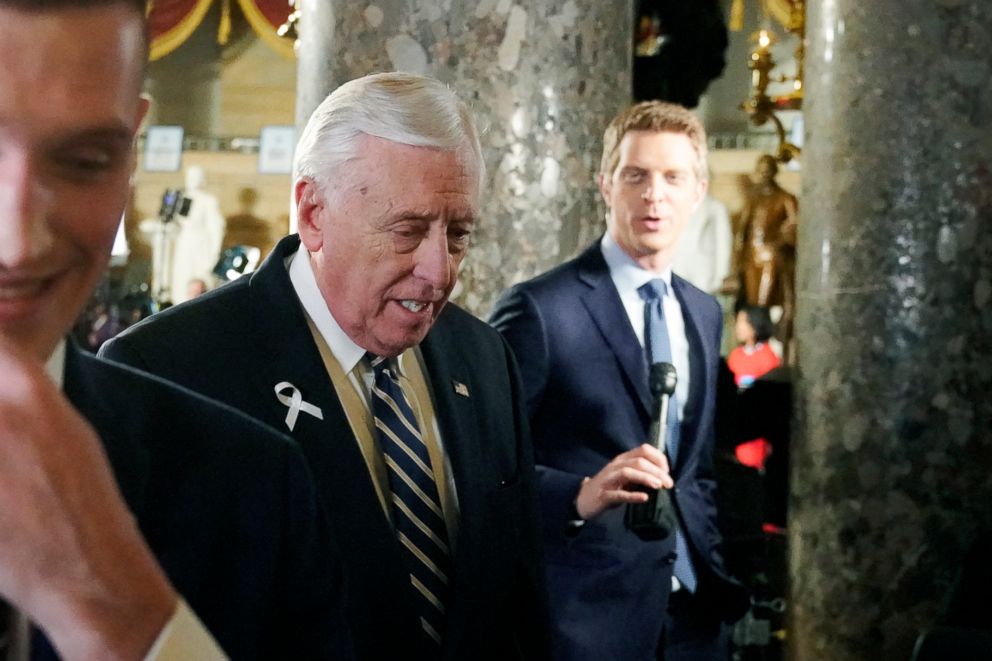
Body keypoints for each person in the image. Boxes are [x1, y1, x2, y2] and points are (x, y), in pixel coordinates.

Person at [102, 72, 550, 661]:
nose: (439, 271)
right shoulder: (162, 372)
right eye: (407, 231)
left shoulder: (484, 359)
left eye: (458, 234)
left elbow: (518, 610)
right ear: (313, 212)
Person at [0, 1, 354, 659]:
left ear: (132, 147)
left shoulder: (251, 489)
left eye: (83, 160)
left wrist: (129, 620)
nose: (17, 240)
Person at [491, 100, 749, 660]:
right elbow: (482, 465)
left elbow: (697, 470)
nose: (654, 194)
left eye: (672, 177)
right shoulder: (540, 310)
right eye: (636, 176)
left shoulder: (703, 312)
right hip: (584, 622)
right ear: (606, 185)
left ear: (698, 190)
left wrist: (716, 574)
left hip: (694, 623)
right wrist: (579, 496)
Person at [726, 154, 798, 349]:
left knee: (764, 302)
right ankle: (754, 344)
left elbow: (794, 225)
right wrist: (737, 259)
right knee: (752, 302)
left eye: (768, 170)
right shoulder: (754, 199)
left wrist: (778, 242)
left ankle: (767, 344)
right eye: (761, 170)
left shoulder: (785, 198)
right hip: (751, 258)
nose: (764, 174)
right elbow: (743, 230)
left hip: (771, 259)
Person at [727, 305, 780, 388]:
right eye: (737, 321)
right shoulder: (735, 354)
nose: (738, 327)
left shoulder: (768, 358)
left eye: (742, 322)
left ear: (755, 324)